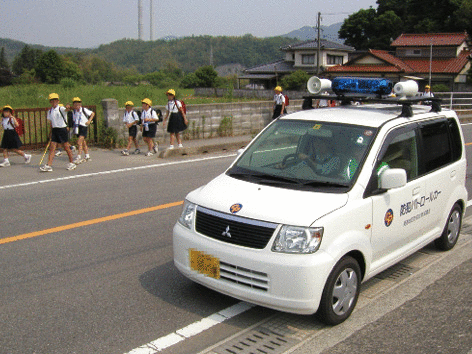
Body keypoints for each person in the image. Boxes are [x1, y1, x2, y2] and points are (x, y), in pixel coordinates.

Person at [40, 93, 76, 172]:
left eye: (55, 100)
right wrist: (51, 132)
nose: (54, 102)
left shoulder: (61, 108)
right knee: (52, 148)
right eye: (52, 101)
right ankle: (49, 165)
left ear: (58, 101)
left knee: (66, 146)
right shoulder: (50, 111)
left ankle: (72, 163)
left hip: (62, 129)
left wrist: (68, 107)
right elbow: (51, 122)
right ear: (50, 102)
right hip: (55, 130)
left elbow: (66, 109)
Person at [71, 97, 94, 164]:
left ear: (80, 104)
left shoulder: (84, 110)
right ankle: (87, 155)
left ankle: (79, 156)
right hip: (78, 127)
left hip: (84, 126)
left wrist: (89, 121)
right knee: (83, 142)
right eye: (75, 104)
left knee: (79, 142)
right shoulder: (74, 112)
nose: (77, 106)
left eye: (78, 104)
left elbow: (92, 113)